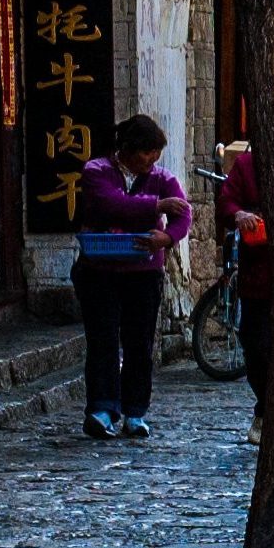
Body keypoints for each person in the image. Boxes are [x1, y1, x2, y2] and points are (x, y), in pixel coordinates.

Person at [74, 113, 192, 438]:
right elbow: (111, 205)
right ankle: (102, 408)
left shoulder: (163, 178)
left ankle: (135, 412)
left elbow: (183, 213)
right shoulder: (96, 171)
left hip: (143, 271)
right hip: (99, 270)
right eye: (146, 152)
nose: (151, 160)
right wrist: (155, 207)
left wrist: (167, 239)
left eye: (156, 153)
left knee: (140, 343)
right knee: (103, 340)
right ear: (126, 148)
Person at [214, 141, 274, 438]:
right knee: (256, 344)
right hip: (257, 270)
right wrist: (238, 215)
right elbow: (227, 202)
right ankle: (265, 408)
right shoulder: (247, 165)